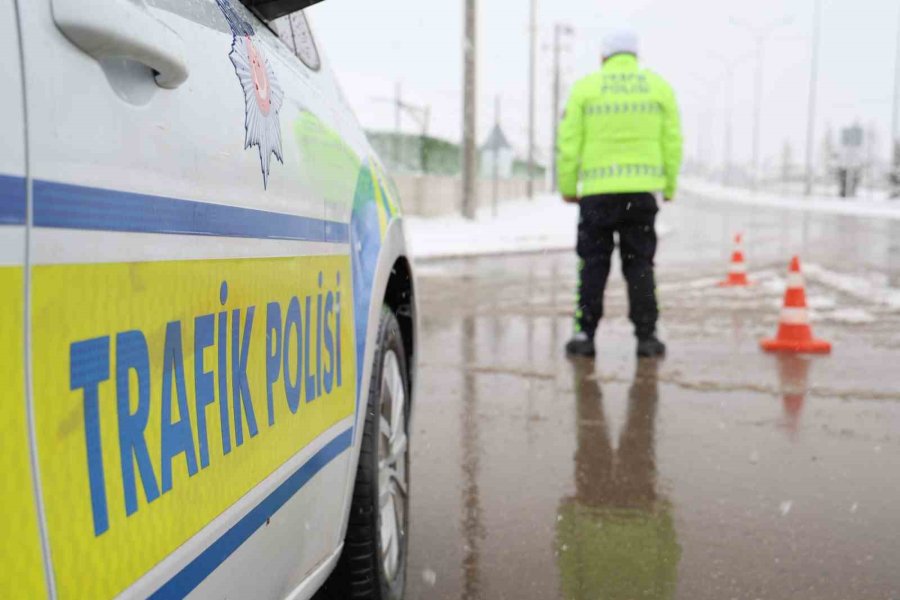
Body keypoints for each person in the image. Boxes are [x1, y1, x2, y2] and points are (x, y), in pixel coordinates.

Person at [557, 29, 683, 358]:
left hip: (597, 196)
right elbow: (672, 142)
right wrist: (668, 186)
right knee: (640, 264)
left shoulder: (586, 88)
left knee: (593, 265)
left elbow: (568, 145)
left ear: (604, 56)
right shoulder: (658, 87)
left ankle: (584, 334)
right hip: (640, 195)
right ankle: (647, 336)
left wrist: (569, 188)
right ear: (635, 56)